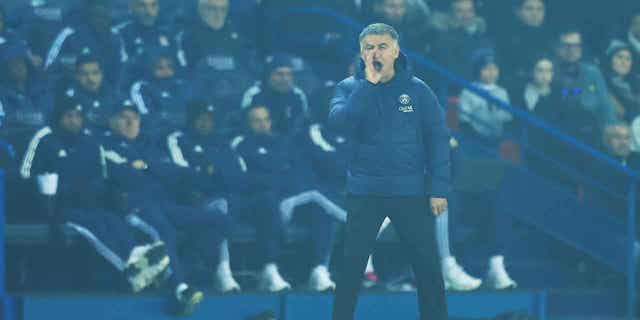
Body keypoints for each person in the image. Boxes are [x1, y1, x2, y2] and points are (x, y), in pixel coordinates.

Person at [329, 23, 449, 320]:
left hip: (410, 191)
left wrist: (439, 188)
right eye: (369, 47)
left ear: (396, 50)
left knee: (428, 269)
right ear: (361, 52)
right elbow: (341, 124)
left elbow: (438, 139)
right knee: (350, 269)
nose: (375, 52)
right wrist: (367, 85)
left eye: (382, 46)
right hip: (364, 190)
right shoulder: (347, 88)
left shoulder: (418, 90)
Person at [18, 92, 171, 294]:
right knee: (95, 226)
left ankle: (138, 260)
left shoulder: (90, 141)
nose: (74, 121)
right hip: (57, 207)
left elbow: (103, 175)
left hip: (91, 204)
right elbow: (25, 175)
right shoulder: (44, 137)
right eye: (69, 116)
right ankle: (130, 269)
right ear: (59, 117)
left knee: (113, 221)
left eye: (78, 116)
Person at [101, 99, 235, 314]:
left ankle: (184, 269)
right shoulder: (105, 145)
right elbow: (125, 176)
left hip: (166, 204)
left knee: (221, 219)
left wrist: (145, 166)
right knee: (165, 232)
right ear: (111, 121)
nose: (130, 123)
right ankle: (180, 288)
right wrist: (154, 170)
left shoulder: (149, 145)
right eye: (124, 118)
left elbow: (177, 173)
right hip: (135, 207)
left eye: (134, 118)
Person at [232, 104, 341, 292]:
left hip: (287, 199)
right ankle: (270, 269)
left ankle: (319, 269)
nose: (263, 124)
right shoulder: (240, 144)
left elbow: (299, 171)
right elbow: (241, 179)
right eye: (257, 120)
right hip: (256, 203)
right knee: (267, 200)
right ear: (247, 123)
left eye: (266, 119)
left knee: (319, 210)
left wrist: (280, 181)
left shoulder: (283, 143)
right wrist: (276, 179)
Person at [44, 0, 126, 84]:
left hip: (107, 91)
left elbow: (124, 68)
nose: (101, 20)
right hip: (72, 89)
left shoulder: (115, 37)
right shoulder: (70, 34)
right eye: (97, 16)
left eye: (105, 16)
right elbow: (49, 66)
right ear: (89, 15)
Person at [553, 28, 617, 129]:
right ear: (557, 47)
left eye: (576, 46)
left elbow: (605, 105)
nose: (571, 50)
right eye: (566, 46)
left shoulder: (592, 72)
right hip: (562, 129)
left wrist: (613, 129)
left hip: (593, 129)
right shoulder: (548, 71)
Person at [240, 54, 309, 136]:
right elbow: (246, 126)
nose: (285, 79)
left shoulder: (298, 95)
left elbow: (303, 122)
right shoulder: (254, 94)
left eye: (289, 74)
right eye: (279, 74)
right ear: (268, 75)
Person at [129, 49, 192, 136]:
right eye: (160, 67)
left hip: (186, 132)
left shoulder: (180, 85)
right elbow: (147, 116)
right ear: (150, 68)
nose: (166, 71)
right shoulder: (141, 87)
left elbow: (191, 112)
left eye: (169, 66)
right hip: (158, 134)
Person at [431, 0, 494, 85]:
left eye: (469, 10)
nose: (465, 15)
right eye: (459, 11)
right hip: (460, 91)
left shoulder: (484, 38)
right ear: (451, 14)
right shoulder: (443, 39)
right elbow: (449, 69)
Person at [493, 0, 553, 86]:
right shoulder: (505, 39)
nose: (535, 14)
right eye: (529, 9)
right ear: (517, 11)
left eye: (539, 9)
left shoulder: (551, 38)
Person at [458, 51, 513, 145]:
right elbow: (464, 120)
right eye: (486, 69)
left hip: (497, 139)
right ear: (478, 70)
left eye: (495, 69)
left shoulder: (502, 92)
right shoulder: (469, 91)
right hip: (475, 140)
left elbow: (507, 118)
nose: (491, 72)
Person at [61, 54, 118, 134]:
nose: (90, 78)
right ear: (76, 76)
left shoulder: (114, 96)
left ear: (102, 74)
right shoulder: (68, 99)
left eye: (95, 73)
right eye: (84, 74)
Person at [603, 40, 640, 122]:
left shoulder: (636, 83)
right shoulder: (602, 84)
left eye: (628, 59)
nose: (624, 62)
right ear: (610, 59)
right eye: (619, 57)